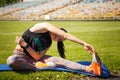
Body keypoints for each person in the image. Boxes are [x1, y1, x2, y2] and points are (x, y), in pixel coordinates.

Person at [7, 22, 102, 76]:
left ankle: (88, 68)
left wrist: (25, 45)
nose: (57, 40)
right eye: (60, 37)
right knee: (11, 60)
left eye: (60, 40)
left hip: (35, 60)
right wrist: (83, 43)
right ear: (58, 29)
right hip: (20, 56)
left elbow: (37, 57)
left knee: (58, 60)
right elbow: (66, 35)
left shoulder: (49, 43)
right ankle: (39, 67)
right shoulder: (43, 26)